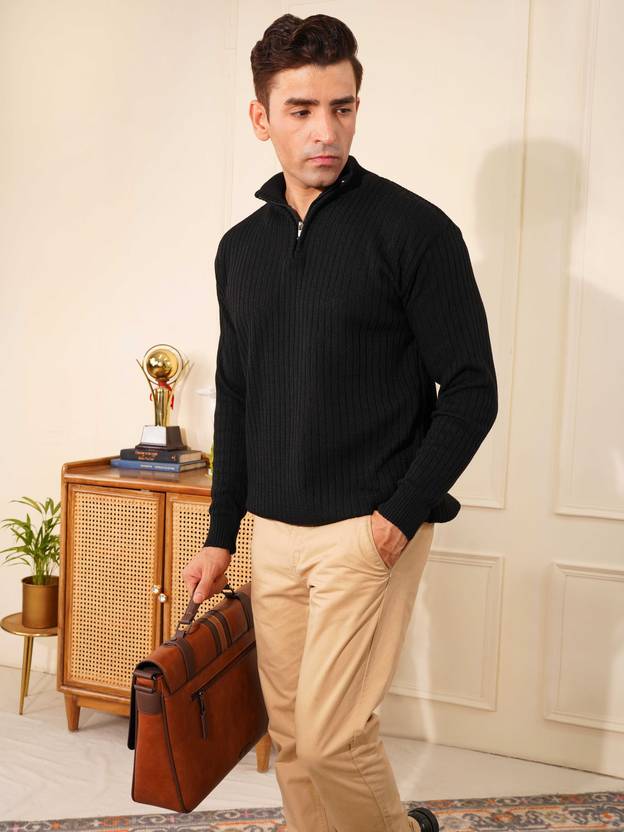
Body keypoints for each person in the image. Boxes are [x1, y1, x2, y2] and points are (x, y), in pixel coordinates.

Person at [183, 12, 498, 832]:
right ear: (262, 118)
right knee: (292, 740)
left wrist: (396, 519)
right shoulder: (239, 249)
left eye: (342, 107)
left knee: (331, 740)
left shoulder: (415, 232)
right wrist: (221, 534)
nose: (326, 130)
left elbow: (472, 390)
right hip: (274, 536)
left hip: (369, 528)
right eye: (302, 110)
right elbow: (237, 392)